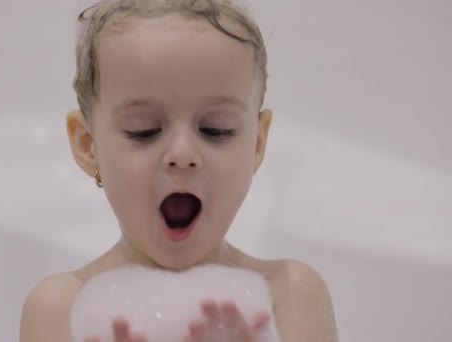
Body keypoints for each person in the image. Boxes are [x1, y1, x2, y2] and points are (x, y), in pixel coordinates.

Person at [20, 0, 338, 341]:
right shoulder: (61, 307)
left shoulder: (291, 294)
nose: (182, 154)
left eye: (217, 129)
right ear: (88, 146)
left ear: (257, 145)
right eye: (144, 130)